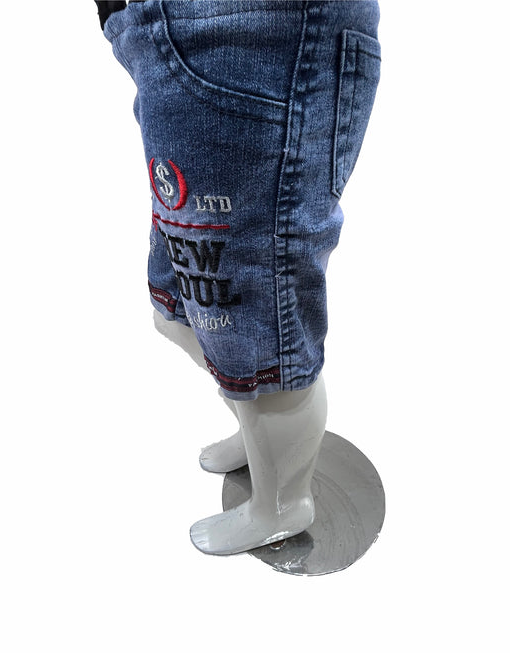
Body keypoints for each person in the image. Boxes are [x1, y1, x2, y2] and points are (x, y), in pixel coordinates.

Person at [96, 0, 381, 555]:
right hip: (167, 34)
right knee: (181, 306)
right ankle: (260, 435)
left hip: (253, 30)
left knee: (260, 329)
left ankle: (282, 504)